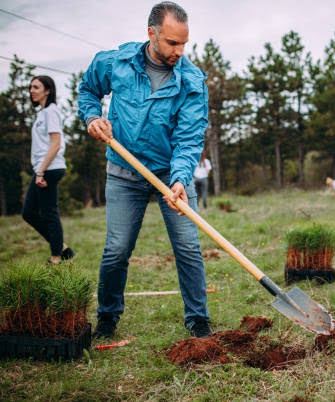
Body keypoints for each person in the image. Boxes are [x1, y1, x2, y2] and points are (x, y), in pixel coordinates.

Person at [78, 1, 211, 339]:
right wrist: (92, 117)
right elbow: (89, 90)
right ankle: (107, 317)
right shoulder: (117, 62)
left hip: (169, 175)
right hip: (124, 172)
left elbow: (189, 139)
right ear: (151, 33)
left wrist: (181, 179)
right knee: (117, 248)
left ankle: (197, 318)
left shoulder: (192, 81)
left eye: (183, 43)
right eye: (171, 43)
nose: (179, 51)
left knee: (188, 247)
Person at [22, 75, 75, 265]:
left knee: (49, 212)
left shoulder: (51, 112)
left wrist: (41, 171)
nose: (32, 91)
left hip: (50, 168)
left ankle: (56, 257)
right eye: (31, 87)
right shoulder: (42, 113)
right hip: (44, 167)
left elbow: (55, 143)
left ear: (48, 90)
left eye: (36, 87)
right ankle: (62, 249)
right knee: (29, 213)